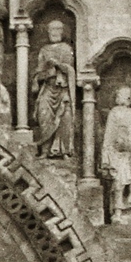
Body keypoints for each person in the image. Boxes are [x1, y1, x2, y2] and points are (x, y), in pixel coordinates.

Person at [31, 19, 76, 159]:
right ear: (48, 31)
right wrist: (44, 74)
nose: (55, 32)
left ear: (62, 31)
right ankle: (44, 151)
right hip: (48, 88)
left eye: (58, 29)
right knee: (43, 116)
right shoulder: (44, 50)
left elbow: (69, 69)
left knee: (65, 119)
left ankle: (63, 151)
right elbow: (38, 73)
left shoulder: (67, 49)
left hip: (62, 90)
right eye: (52, 29)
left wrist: (57, 65)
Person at [99, 84, 131, 217]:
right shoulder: (114, 112)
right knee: (119, 181)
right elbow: (109, 135)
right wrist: (106, 156)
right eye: (120, 95)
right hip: (119, 152)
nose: (122, 97)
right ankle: (118, 210)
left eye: (126, 94)